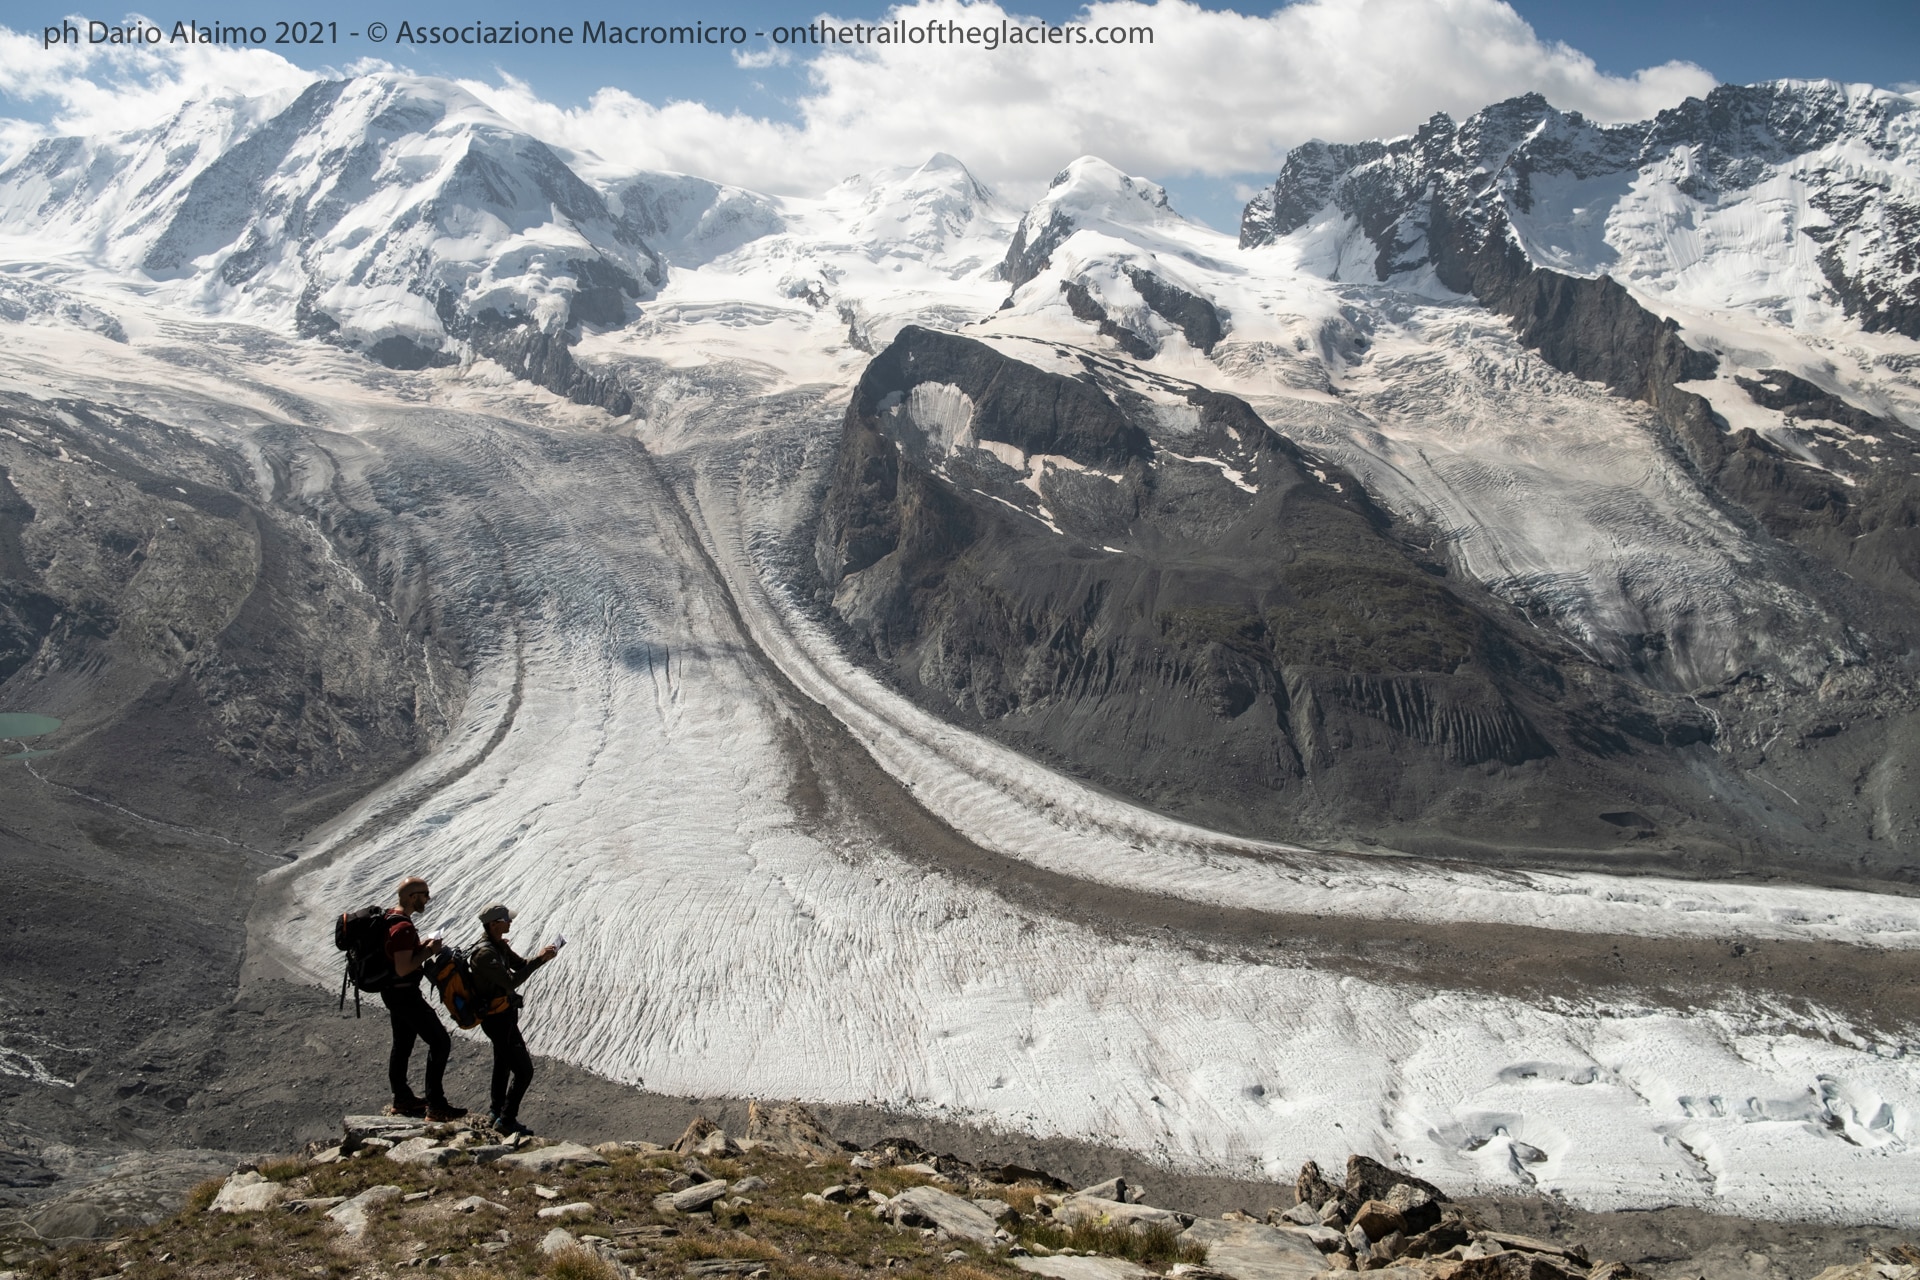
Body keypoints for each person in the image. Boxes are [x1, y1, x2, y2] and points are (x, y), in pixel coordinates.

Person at [381, 876, 467, 1121]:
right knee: (440, 1042)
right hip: (404, 993)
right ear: (412, 897)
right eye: (424, 894)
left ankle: (402, 1098)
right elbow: (403, 967)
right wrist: (430, 950)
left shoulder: (391, 918)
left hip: (393, 993)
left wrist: (421, 945)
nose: (428, 899)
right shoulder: (402, 927)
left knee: (402, 1045)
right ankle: (436, 1104)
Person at [469, 902, 558, 1136]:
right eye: (506, 920)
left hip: (502, 1015)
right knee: (524, 1070)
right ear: (494, 924)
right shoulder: (485, 953)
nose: (510, 922)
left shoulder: (496, 946)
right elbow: (511, 982)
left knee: (503, 1062)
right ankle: (506, 1119)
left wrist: (542, 957)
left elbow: (519, 965)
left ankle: (496, 1112)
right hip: (497, 1019)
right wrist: (540, 960)